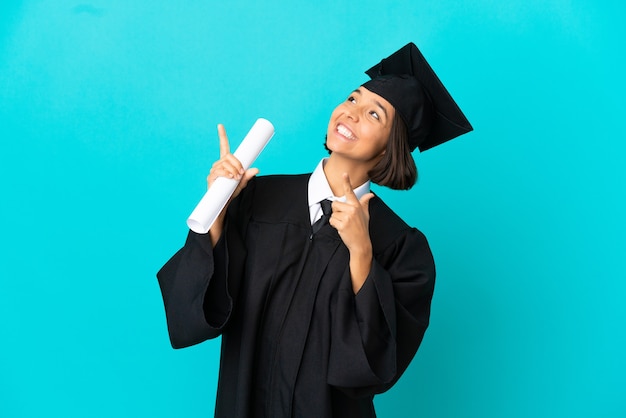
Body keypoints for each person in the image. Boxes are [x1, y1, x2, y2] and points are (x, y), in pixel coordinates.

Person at [157, 42, 472, 418]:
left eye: (373, 114)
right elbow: (194, 309)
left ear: (390, 149)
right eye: (353, 98)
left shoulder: (401, 247)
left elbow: (374, 369)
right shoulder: (259, 198)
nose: (351, 113)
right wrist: (218, 210)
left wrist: (361, 254)